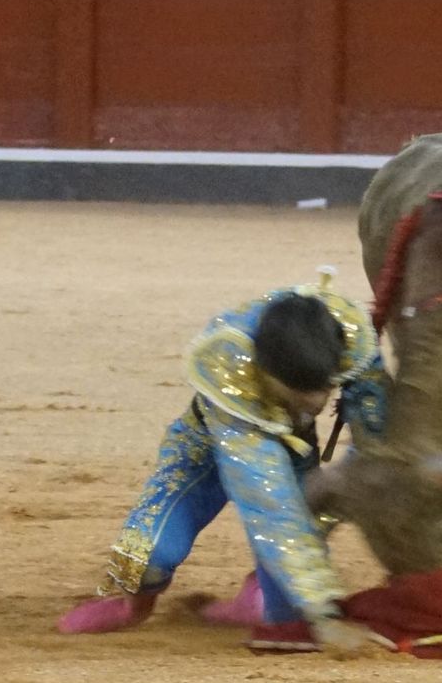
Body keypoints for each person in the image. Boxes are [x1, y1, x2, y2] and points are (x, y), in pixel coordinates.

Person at [56, 278, 392, 657]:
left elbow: (377, 429)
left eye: (323, 388)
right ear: (264, 373)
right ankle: (131, 603)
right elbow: (270, 509)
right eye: (298, 393)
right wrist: (325, 616)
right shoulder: (230, 368)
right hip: (201, 448)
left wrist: (353, 476)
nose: (315, 404)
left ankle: (259, 591)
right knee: (146, 555)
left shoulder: (346, 333)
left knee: (295, 586)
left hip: (294, 447)